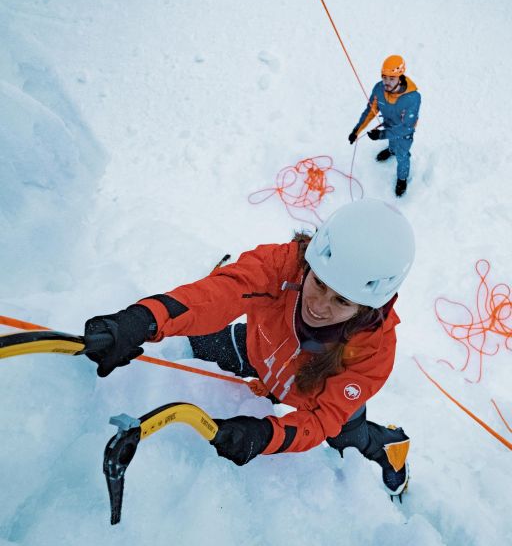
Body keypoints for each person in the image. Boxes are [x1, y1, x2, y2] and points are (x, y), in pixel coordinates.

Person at [84, 200, 414, 498]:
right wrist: (143, 321)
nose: (319, 306)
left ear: (367, 308)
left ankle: (389, 448)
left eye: (342, 301)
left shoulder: (375, 348)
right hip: (259, 351)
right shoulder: (281, 265)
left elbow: (321, 418)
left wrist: (263, 434)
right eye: (319, 284)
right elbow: (221, 292)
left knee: (349, 440)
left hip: (317, 397)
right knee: (195, 342)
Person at [348, 55, 421, 198]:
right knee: (392, 144)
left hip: (403, 132)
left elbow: (407, 127)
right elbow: (370, 111)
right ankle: (391, 150)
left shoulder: (413, 98)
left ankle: (402, 178)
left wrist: (381, 135)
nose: (386, 82)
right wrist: (356, 131)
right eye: (384, 77)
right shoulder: (379, 88)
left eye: (391, 78)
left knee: (402, 155)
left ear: (400, 77)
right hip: (389, 125)